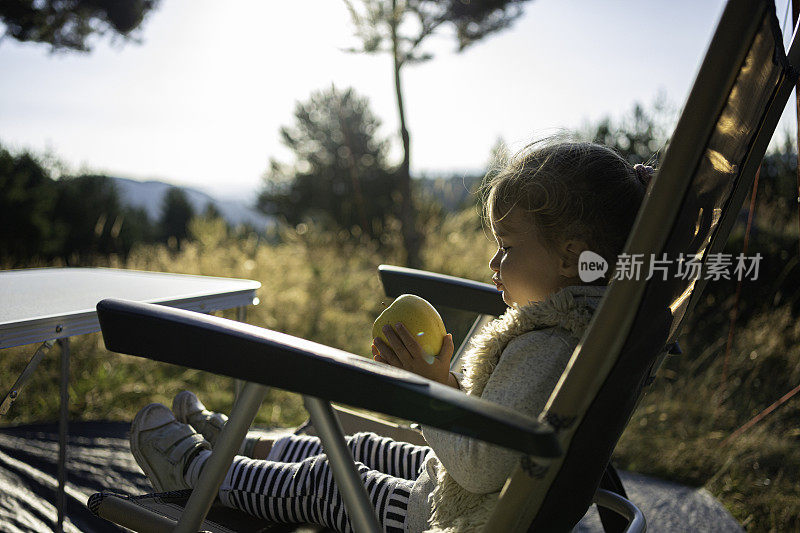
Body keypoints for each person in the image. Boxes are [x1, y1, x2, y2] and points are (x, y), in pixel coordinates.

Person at [128, 139, 653, 532]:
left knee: (328, 480)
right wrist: (445, 384)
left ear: (568, 257)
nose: (494, 263)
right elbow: (495, 446)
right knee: (359, 445)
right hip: (471, 492)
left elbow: (477, 468)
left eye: (507, 247)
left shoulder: (549, 345)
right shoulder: (584, 325)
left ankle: (198, 472)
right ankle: (234, 446)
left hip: (451, 518)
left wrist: (432, 394)